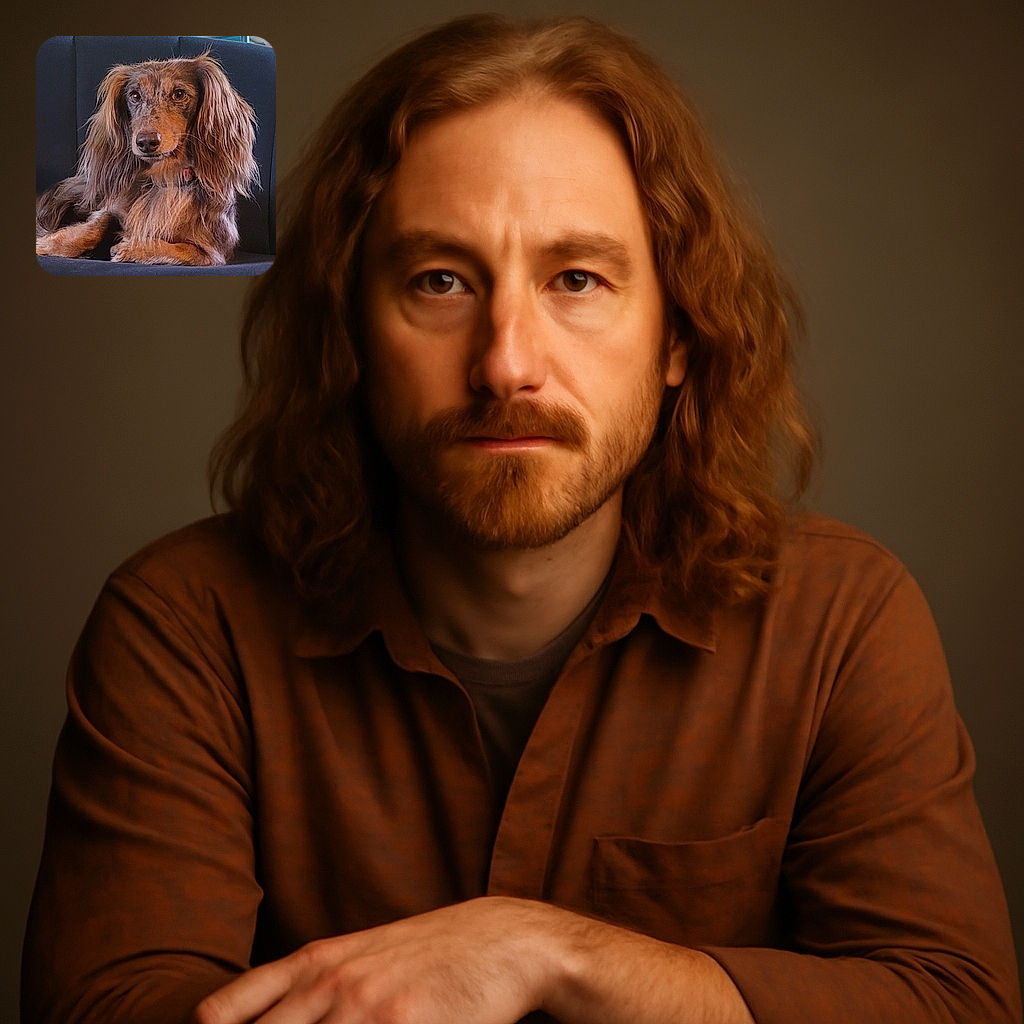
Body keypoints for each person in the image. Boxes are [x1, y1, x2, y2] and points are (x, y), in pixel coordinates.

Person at [21, 14, 1020, 1024]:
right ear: (351, 328)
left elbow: (956, 1002)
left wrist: (550, 952)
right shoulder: (186, 627)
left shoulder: (841, 622)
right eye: (440, 281)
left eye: (575, 280)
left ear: (680, 332)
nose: (506, 363)